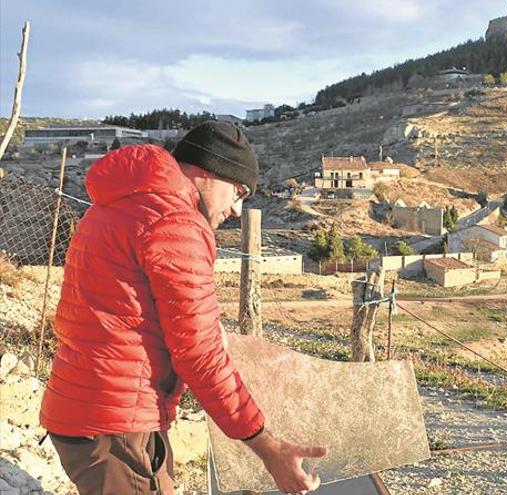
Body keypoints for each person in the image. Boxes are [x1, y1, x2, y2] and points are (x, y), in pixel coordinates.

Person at [39, 122, 326, 494]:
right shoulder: (174, 222)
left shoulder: (121, 204)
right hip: (119, 423)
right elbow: (199, 355)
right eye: (237, 192)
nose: (237, 209)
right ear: (207, 171)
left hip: (87, 409)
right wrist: (268, 448)